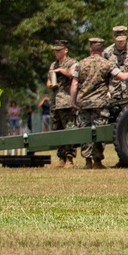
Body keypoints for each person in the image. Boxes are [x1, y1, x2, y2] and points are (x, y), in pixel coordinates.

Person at [71, 37, 128, 168]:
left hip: (83, 103)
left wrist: (73, 101)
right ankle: (97, 161)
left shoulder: (80, 64)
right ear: (101, 50)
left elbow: (74, 83)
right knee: (99, 132)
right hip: (100, 104)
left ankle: (87, 162)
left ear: (90, 49)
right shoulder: (107, 64)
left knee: (85, 131)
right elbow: (123, 77)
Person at [47, 39, 78, 168]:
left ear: (65, 50)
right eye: (55, 51)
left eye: (59, 50)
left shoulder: (72, 63)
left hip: (66, 102)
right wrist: (50, 84)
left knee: (69, 130)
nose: (57, 53)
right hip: (55, 102)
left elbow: (72, 74)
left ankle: (70, 158)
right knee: (57, 130)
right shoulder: (53, 65)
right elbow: (48, 82)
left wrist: (61, 70)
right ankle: (61, 158)